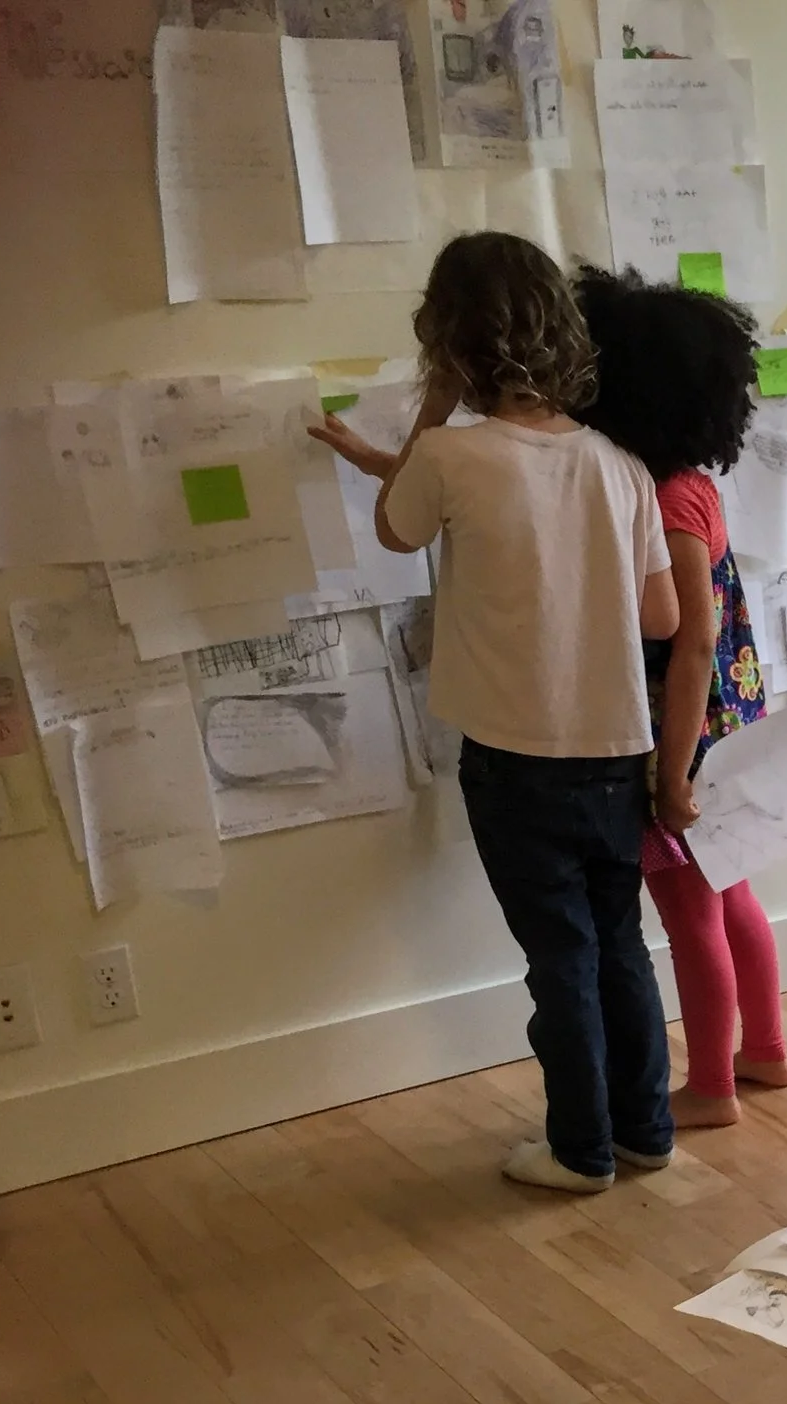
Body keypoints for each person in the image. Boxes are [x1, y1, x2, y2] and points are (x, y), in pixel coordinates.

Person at [309, 233, 682, 1194]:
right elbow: (661, 617)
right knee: (619, 944)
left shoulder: (448, 454)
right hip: (616, 750)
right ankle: (645, 1130)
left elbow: (396, 529)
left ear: (450, 345)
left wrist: (431, 409)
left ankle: (579, 1149)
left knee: (559, 958)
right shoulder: (621, 465)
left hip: (516, 761)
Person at [569, 263, 787, 1131]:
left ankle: (711, 1087)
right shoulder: (694, 482)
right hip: (727, 725)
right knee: (732, 895)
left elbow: (693, 638)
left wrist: (671, 775)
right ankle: (763, 1049)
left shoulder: (663, 498)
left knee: (691, 912)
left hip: (686, 741)